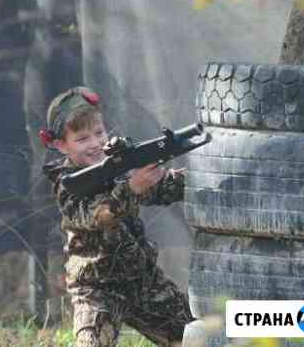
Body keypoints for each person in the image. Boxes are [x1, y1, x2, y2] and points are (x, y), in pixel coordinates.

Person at [41, 86, 194, 347]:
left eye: (99, 132)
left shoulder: (116, 163)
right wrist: (132, 187)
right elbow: (98, 216)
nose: (95, 143)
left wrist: (191, 178)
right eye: (82, 138)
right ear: (59, 144)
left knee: (195, 340)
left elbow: (163, 189)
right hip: (96, 289)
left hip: (142, 281)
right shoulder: (66, 184)